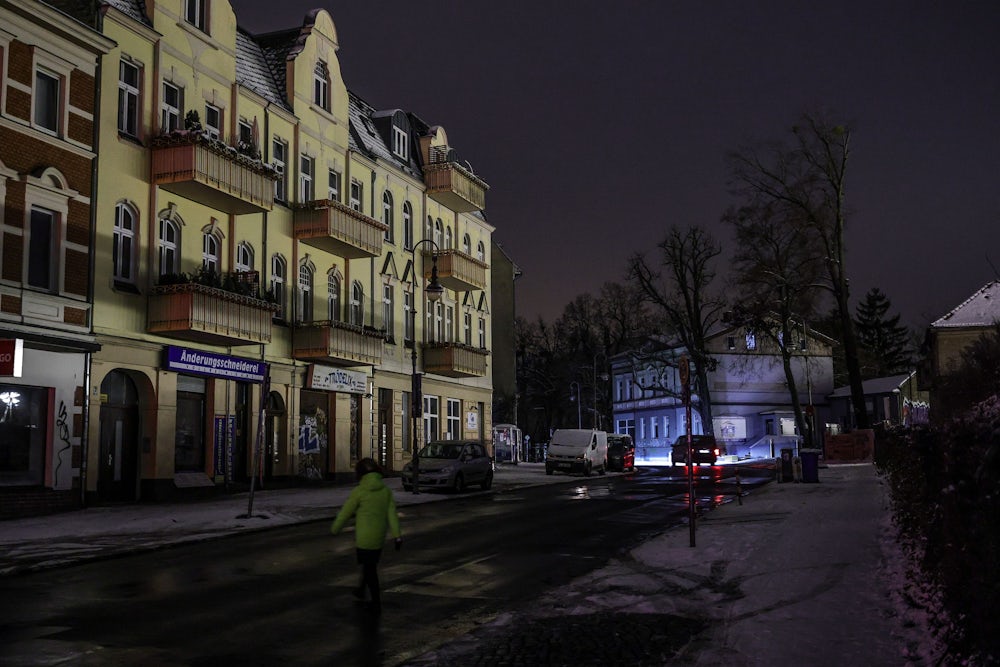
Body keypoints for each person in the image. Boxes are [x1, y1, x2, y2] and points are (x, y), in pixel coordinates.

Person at [330, 458, 402, 615]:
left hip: (363, 538)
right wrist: (397, 536)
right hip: (378, 538)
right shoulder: (385, 492)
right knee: (370, 565)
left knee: (370, 570)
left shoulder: (359, 492)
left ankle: (376, 602)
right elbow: (392, 516)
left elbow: (346, 512)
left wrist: (335, 528)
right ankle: (361, 590)